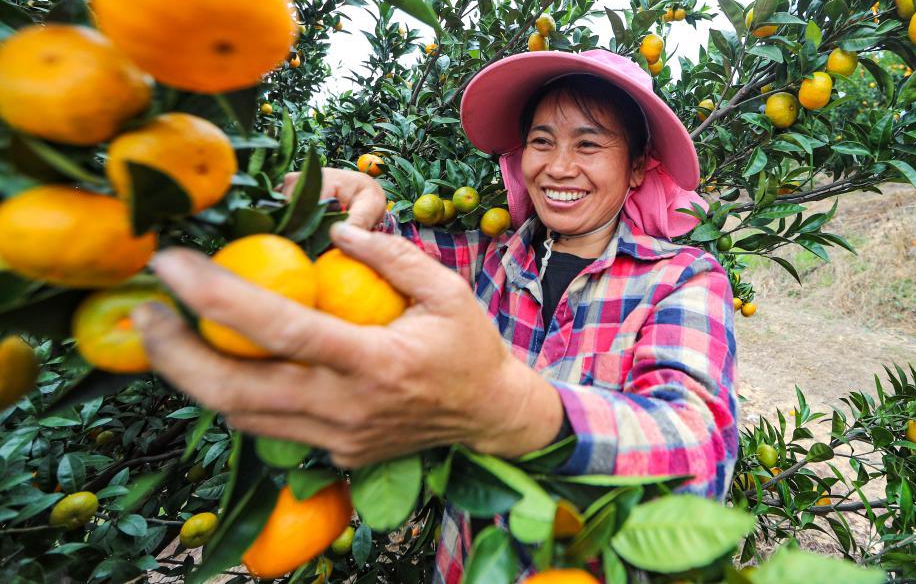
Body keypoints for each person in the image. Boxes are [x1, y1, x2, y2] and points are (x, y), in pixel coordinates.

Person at [136, 48, 739, 583]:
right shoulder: (492, 259)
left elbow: (701, 450)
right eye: (541, 140)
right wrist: (342, 207)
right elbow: (385, 253)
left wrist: (516, 410)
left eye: (589, 143)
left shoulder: (682, 280)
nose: (558, 166)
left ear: (636, 167)